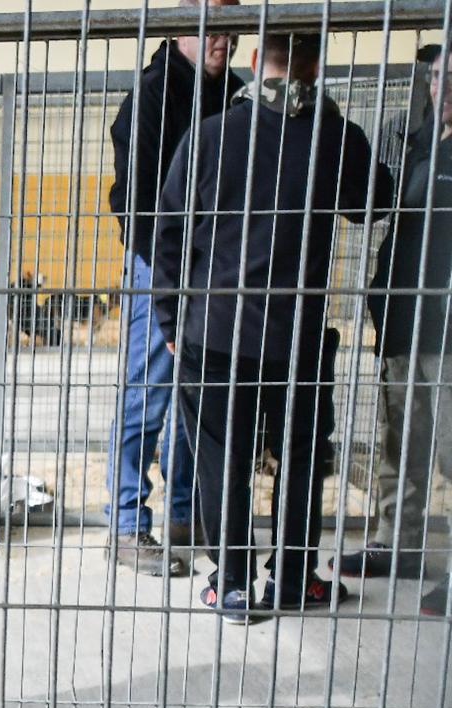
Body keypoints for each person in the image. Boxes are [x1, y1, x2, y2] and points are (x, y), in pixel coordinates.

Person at [153, 31, 384, 622]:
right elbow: (374, 201)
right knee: (302, 456)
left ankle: (230, 583)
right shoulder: (333, 138)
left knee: (219, 457)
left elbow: (170, 235)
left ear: (256, 61)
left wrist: (170, 318)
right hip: (295, 336)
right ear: (316, 66)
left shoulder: (208, 136)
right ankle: (292, 576)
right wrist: (330, 121)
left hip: (213, 329)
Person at [105, 0, 245, 577]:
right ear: (183, 23)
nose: (225, 38)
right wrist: (164, 276)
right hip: (161, 267)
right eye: (213, 24)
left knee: (199, 393)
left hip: (216, 270)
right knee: (149, 391)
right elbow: (135, 200)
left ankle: (186, 515)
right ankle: (127, 523)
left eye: (233, 26)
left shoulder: (235, 93)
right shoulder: (155, 93)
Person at [340, 44, 452, 617]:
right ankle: (398, 545)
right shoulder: (415, 142)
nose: (442, 87)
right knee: (399, 445)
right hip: (407, 321)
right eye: (435, 77)